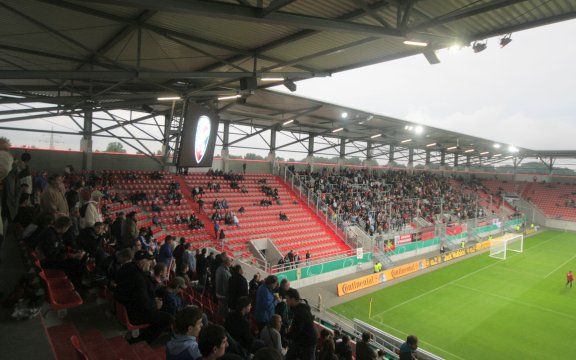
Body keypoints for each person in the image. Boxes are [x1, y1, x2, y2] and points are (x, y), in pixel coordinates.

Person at [115, 250, 173, 344]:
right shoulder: (138, 278)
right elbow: (145, 306)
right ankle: (143, 340)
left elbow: (138, 297)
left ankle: (141, 335)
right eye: (149, 261)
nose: (151, 264)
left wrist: (152, 300)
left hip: (127, 307)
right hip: (135, 314)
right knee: (168, 318)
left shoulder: (126, 268)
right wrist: (155, 304)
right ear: (142, 262)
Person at [285, 288, 317, 360]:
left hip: (308, 341)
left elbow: (297, 330)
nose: (286, 301)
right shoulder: (299, 308)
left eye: (287, 299)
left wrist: (285, 335)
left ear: (293, 299)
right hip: (302, 339)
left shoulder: (300, 312)